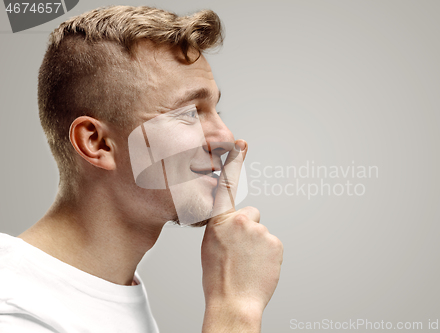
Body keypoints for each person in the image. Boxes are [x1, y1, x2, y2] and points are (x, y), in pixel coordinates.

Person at [0, 5, 283, 333]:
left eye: (215, 109)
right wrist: (234, 307)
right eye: (189, 114)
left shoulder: (114, 289)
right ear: (97, 143)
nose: (225, 138)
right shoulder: (16, 313)